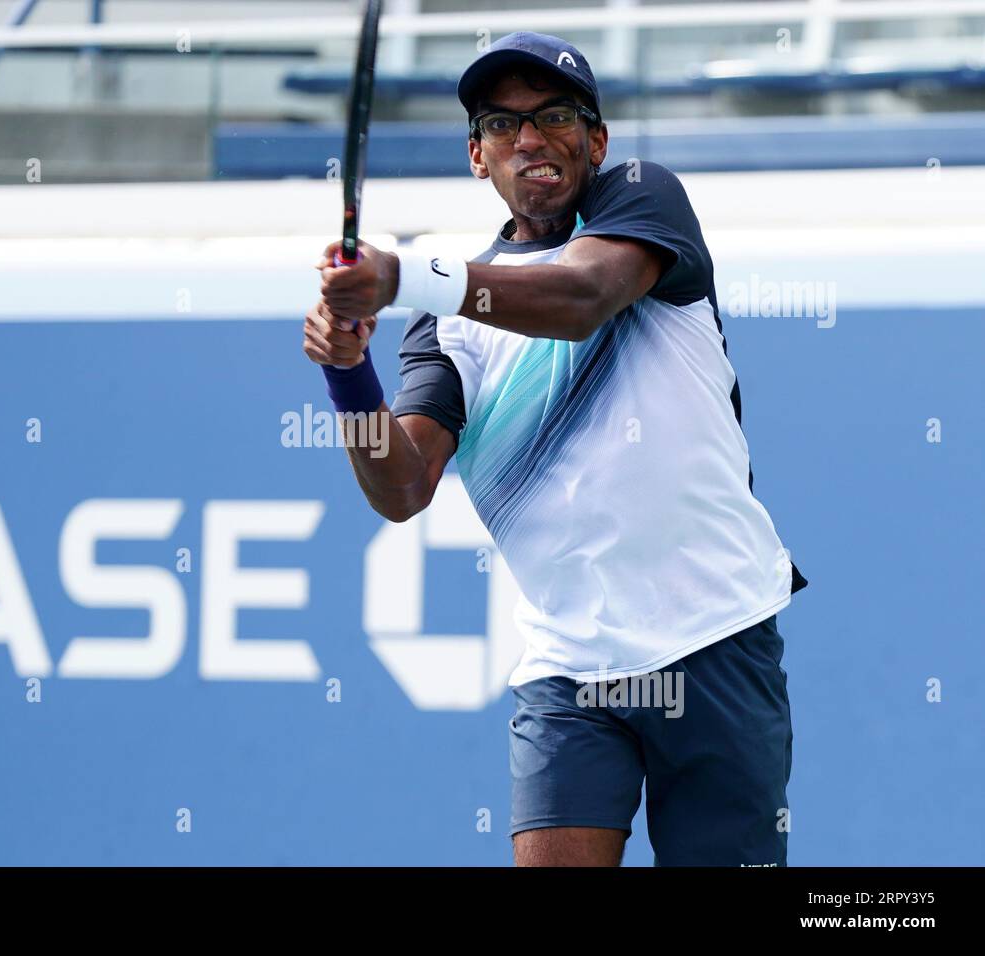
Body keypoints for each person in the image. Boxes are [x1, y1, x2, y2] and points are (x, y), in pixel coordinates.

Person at [303, 32, 806, 866]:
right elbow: (400, 490)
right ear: (477, 156)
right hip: (569, 669)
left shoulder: (643, 201)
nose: (530, 140)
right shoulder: (446, 324)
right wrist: (349, 373)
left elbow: (582, 298)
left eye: (556, 117)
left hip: (715, 635)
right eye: (503, 125)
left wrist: (400, 279)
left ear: (597, 141)